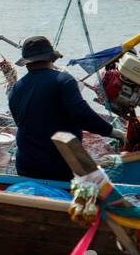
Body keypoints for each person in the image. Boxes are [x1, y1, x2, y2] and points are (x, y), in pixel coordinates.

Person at [8, 35, 121, 181]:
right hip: (61, 167)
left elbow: (23, 122)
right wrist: (113, 132)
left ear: (27, 63)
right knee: (100, 184)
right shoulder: (63, 80)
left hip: (26, 167)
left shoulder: (16, 88)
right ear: (52, 59)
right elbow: (82, 115)